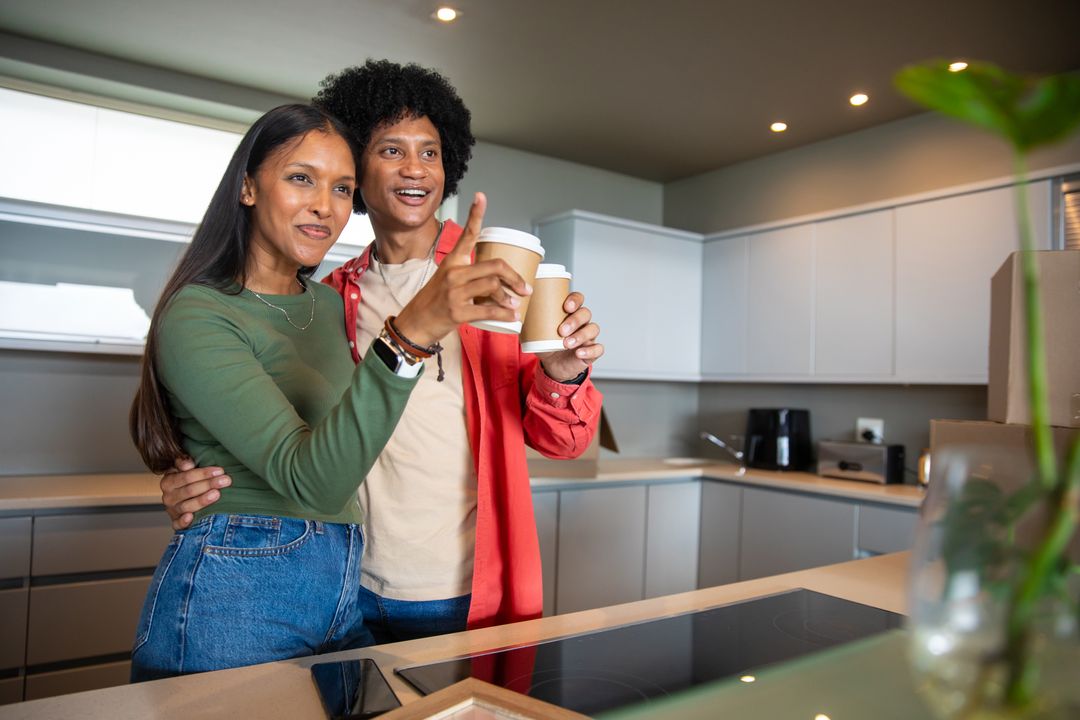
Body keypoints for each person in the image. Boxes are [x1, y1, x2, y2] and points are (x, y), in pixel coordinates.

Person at [160, 60, 605, 643]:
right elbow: (287, 431)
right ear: (359, 174)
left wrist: (563, 372)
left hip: (464, 586)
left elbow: (564, 441)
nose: (415, 168)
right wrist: (200, 482)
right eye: (390, 150)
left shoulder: (500, 282)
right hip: (344, 584)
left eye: (430, 152)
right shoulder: (328, 298)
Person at [128, 103, 528, 680]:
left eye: (342, 188)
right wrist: (411, 334)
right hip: (240, 586)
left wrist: (566, 370)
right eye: (300, 179)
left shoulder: (329, 302)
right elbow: (310, 477)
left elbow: (354, 431)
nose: (325, 205)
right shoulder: (199, 312)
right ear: (246, 187)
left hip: (344, 584)